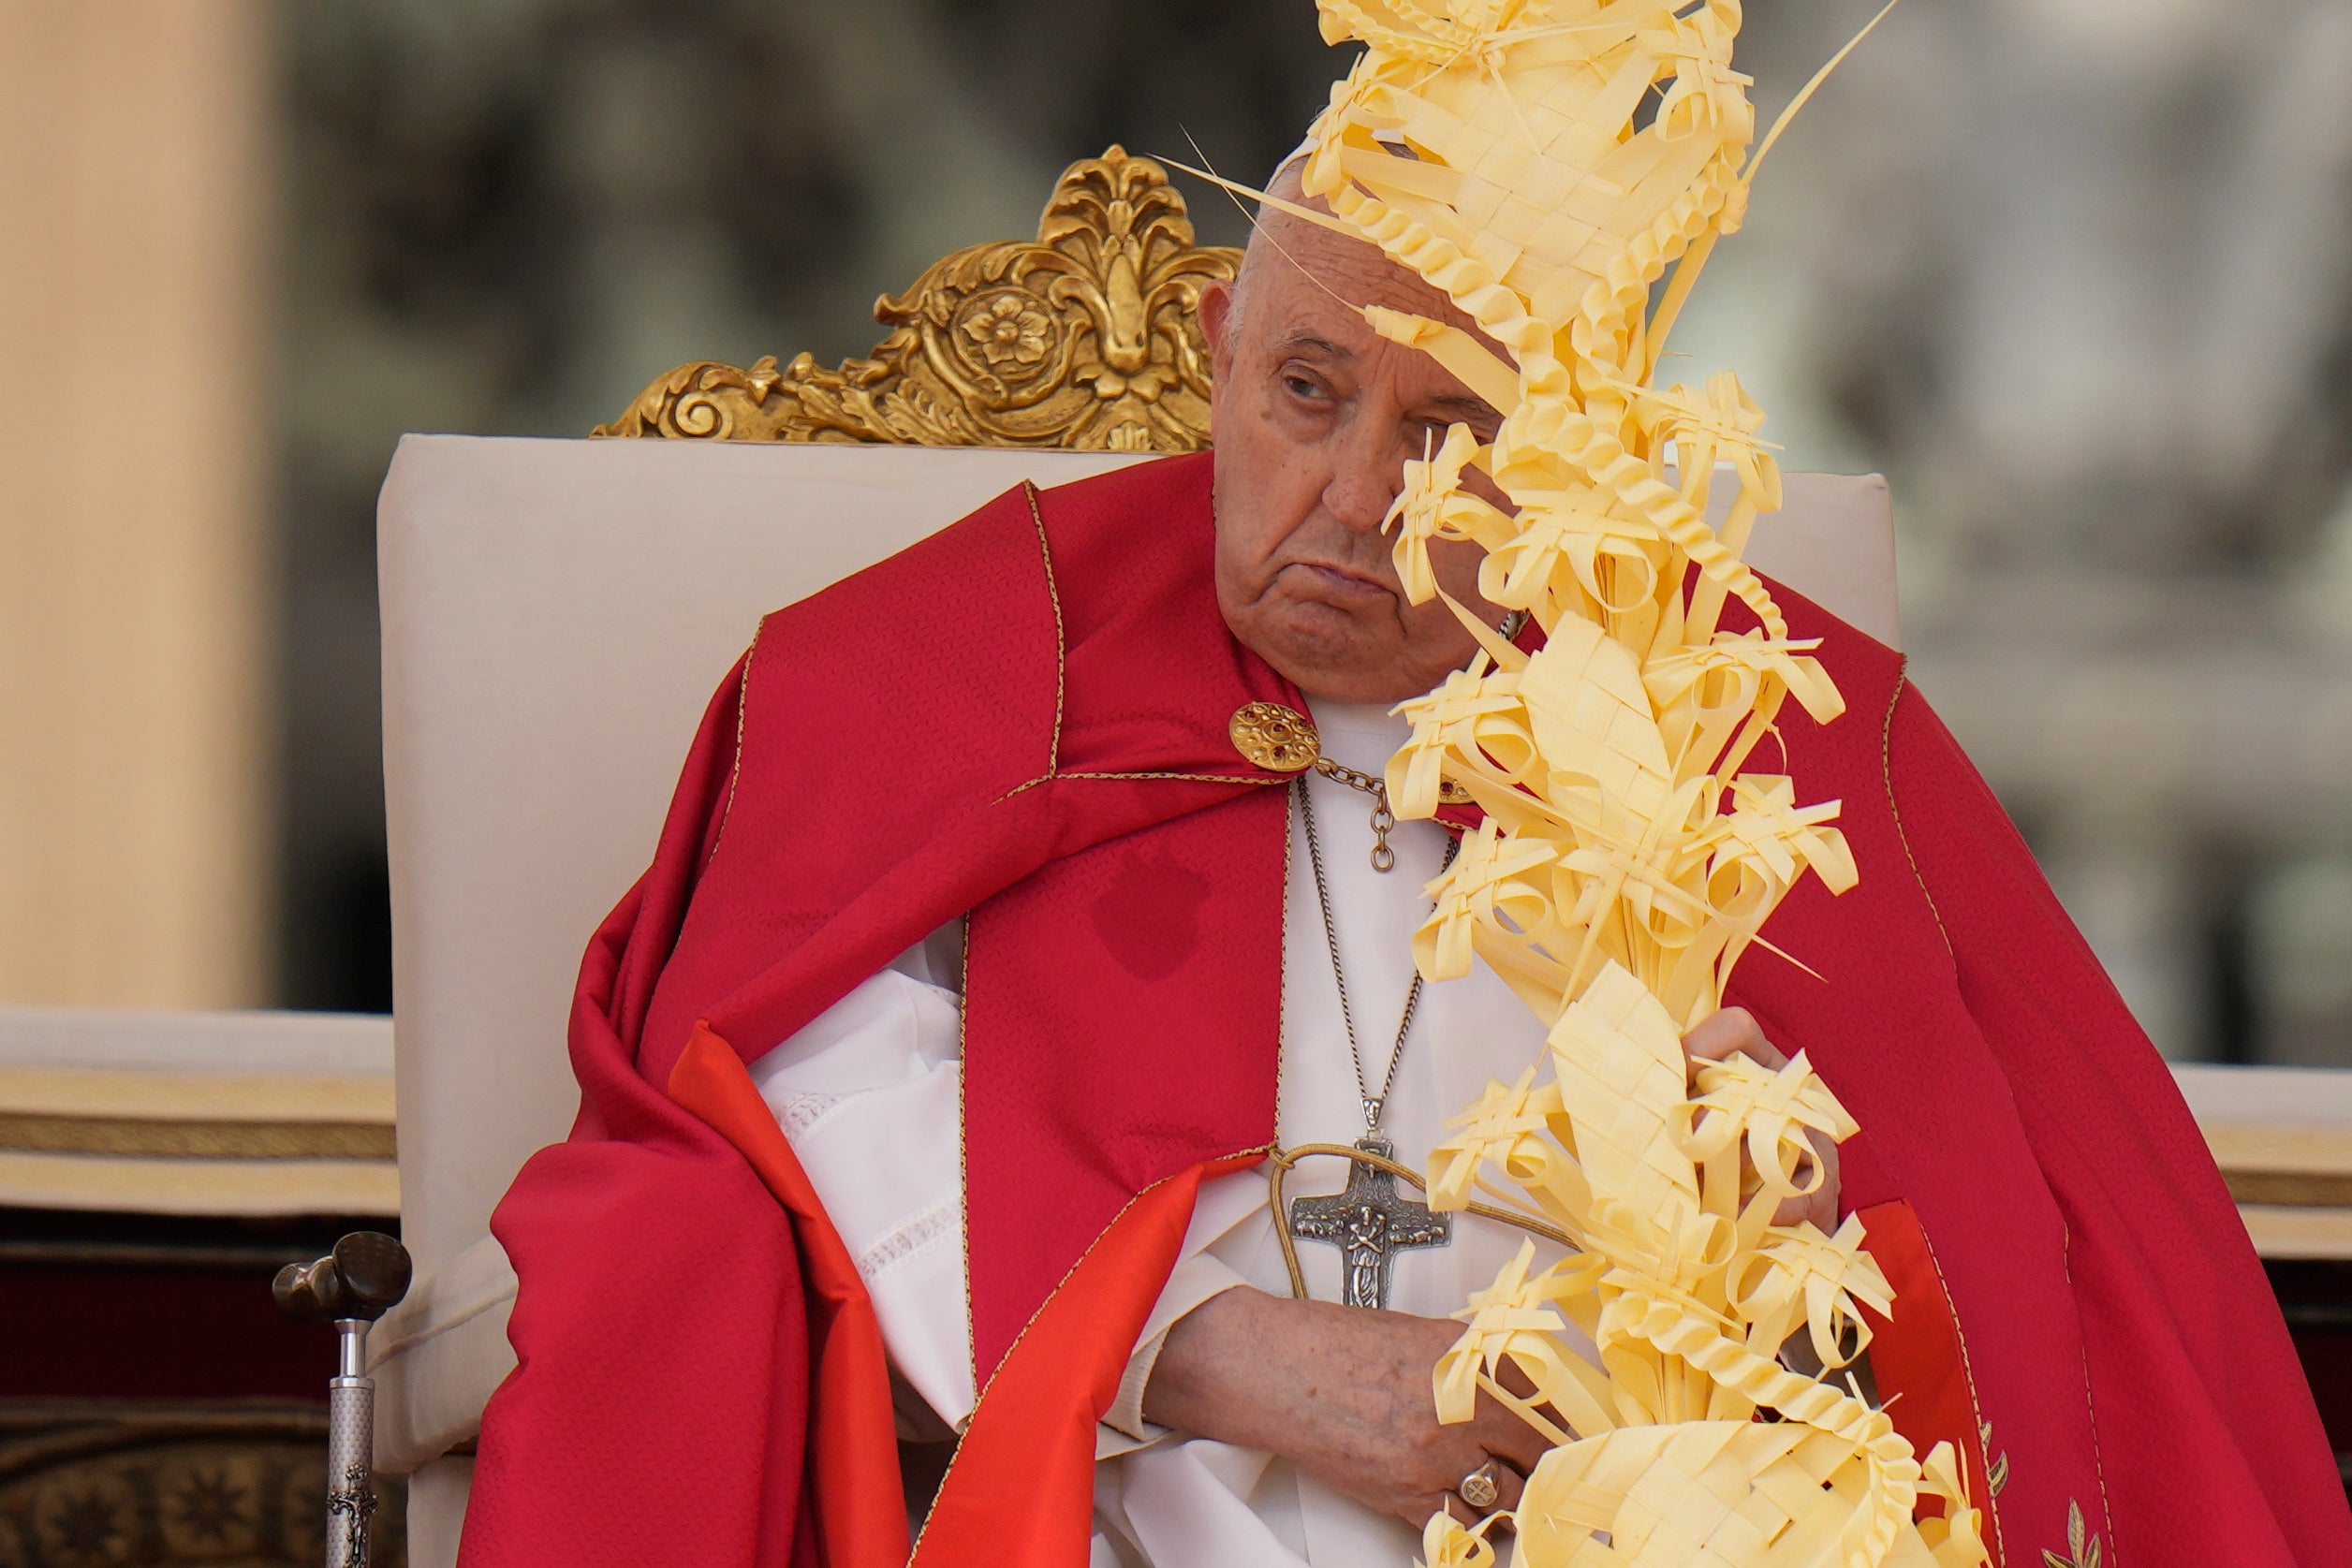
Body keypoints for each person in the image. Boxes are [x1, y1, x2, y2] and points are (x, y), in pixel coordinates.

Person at [457, 6, 2352, 1558]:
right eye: (1304, 392)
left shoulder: (1745, 723)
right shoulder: (974, 666)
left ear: (1570, 454)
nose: (1357, 499)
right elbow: (782, 1070)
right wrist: (1196, 1340)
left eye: (1446, 427)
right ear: (1218, 358)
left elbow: (2010, 1234)